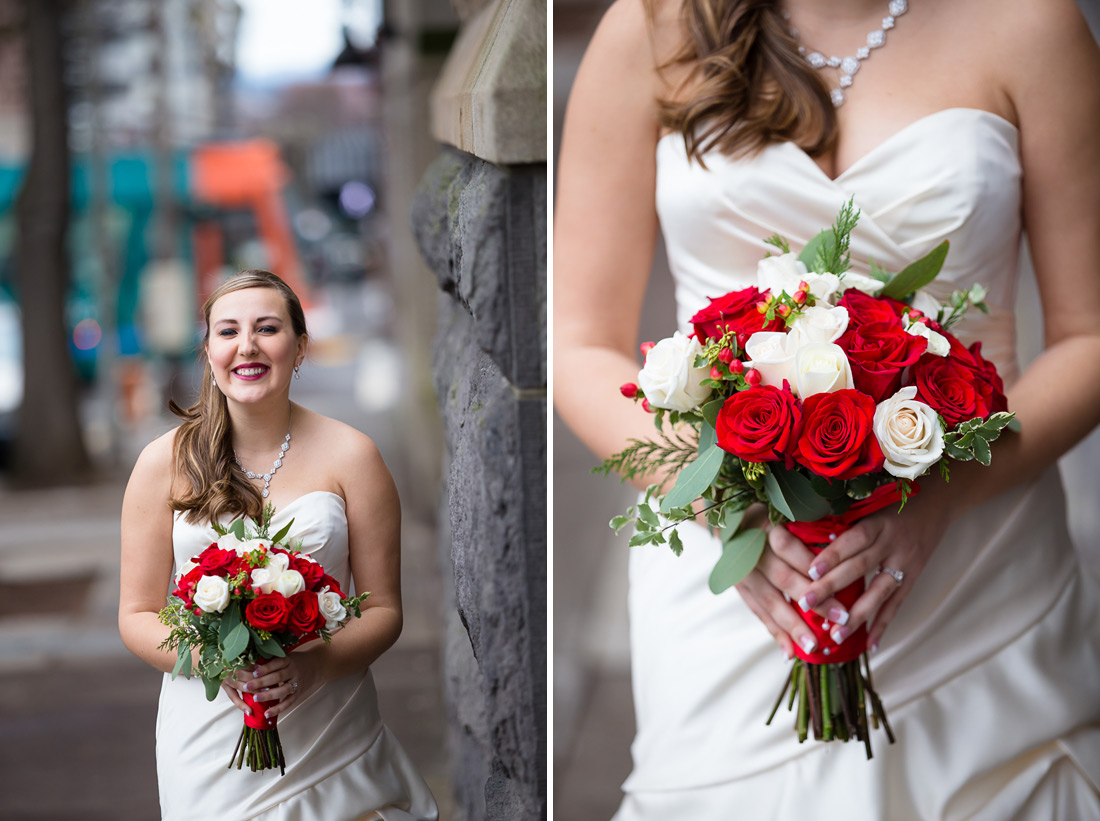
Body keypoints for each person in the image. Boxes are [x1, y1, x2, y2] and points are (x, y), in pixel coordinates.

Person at [555, 0, 1100, 817]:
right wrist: (720, 500)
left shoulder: (1031, 23)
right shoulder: (654, 25)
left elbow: (1090, 333)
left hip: (979, 554)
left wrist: (940, 497)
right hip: (734, 569)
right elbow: (578, 342)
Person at [119, 270, 438, 820]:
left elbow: (385, 609)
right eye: (228, 332)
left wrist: (317, 666)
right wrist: (214, 659)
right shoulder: (162, 463)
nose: (247, 345)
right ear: (209, 351)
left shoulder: (354, 456)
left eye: (267, 328)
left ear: (300, 346)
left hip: (328, 720)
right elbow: (137, 613)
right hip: (209, 731)